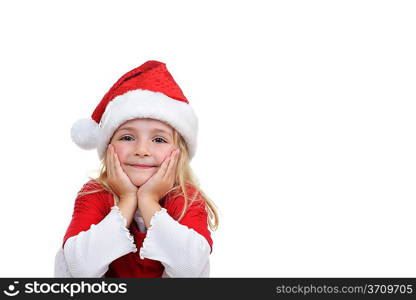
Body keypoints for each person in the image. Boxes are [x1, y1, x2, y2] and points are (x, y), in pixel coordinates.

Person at [54, 60, 219, 278]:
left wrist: (149, 200)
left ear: (179, 152)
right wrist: (127, 199)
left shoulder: (187, 198)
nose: (141, 150)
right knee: (69, 254)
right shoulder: (94, 193)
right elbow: (81, 271)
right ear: (108, 146)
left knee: (194, 254)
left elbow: (189, 271)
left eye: (159, 139)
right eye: (127, 137)